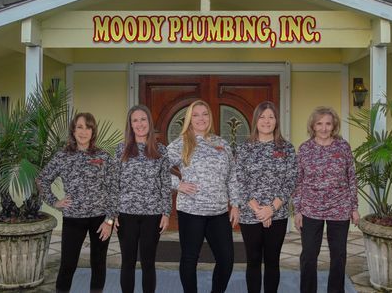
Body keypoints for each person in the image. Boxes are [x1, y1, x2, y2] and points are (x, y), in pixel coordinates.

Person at [37, 112, 117, 293]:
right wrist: (54, 202)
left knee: (98, 264)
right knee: (68, 264)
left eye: (88, 127)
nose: (84, 131)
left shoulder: (103, 156)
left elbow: (114, 189)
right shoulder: (62, 156)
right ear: (73, 130)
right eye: (80, 127)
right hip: (73, 218)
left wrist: (110, 220)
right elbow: (42, 180)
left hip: (100, 220)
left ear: (93, 131)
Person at [166, 99, 240, 293]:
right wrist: (178, 185)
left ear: (210, 117)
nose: (201, 118)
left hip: (219, 212)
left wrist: (236, 204)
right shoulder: (181, 143)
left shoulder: (221, 143)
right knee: (190, 259)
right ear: (190, 119)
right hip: (191, 211)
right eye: (196, 115)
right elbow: (157, 171)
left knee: (226, 260)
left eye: (205, 114)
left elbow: (232, 175)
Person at [292, 106, 360, 293]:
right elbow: (298, 181)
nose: (323, 128)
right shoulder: (305, 149)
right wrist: (297, 210)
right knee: (309, 255)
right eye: (319, 124)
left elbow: (351, 177)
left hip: (340, 208)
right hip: (310, 208)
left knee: (338, 255)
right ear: (313, 126)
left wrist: (354, 207)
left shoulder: (343, 146)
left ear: (334, 125)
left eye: (328, 124)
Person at [236, 101, 297, 293]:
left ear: (276, 121)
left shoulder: (286, 148)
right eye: (262, 117)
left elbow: (291, 181)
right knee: (253, 260)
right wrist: (258, 209)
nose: (266, 121)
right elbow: (239, 180)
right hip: (249, 214)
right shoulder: (244, 148)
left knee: (272, 260)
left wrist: (271, 208)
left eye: (271, 117)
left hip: (277, 215)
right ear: (256, 120)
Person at [114, 105, 172, 293]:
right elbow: (114, 184)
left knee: (148, 263)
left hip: (152, 215)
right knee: (128, 262)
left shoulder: (161, 151)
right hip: (125, 214)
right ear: (130, 125)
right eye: (135, 120)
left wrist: (166, 212)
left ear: (149, 122)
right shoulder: (121, 150)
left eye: (143, 119)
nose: (139, 124)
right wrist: (111, 214)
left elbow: (165, 183)